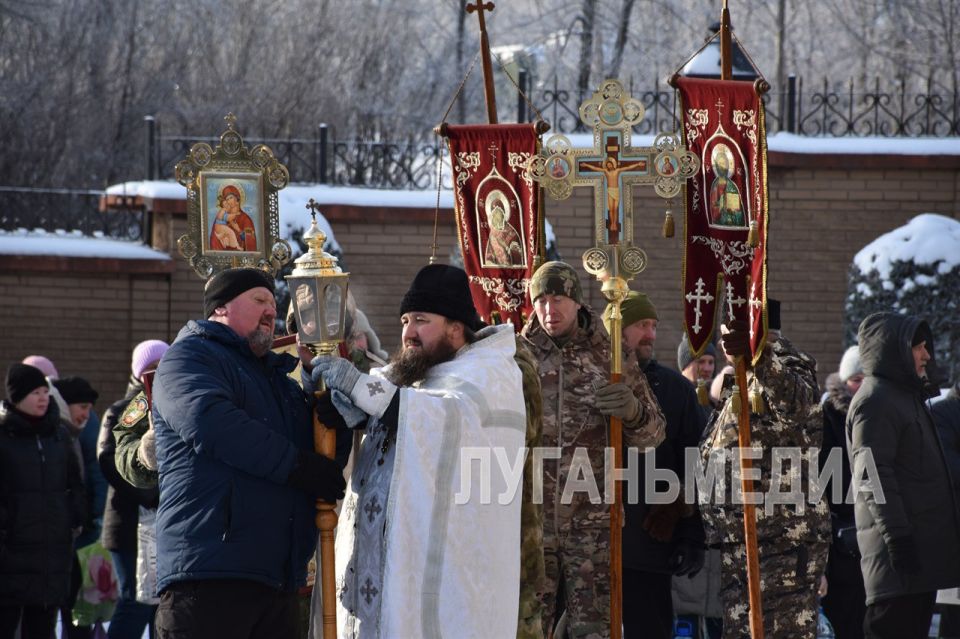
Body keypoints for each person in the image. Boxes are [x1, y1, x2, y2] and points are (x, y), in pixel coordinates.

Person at [309, 263, 527, 638]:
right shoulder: (417, 374)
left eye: (421, 320)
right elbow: (396, 401)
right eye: (405, 320)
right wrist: (356, 412)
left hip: (454, 580)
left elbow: (442, 420)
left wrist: (362, 391)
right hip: (388, 575)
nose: (408, 332)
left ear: (456, 328)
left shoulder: (490, 376)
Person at [150, 267, 346, 639]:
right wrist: (297, 465)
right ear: (221, 308)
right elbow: (210, 423)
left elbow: (321, 463)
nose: (272, 311)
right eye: (259, 300)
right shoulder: (189, 358)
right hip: (209, 576)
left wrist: (334, 415)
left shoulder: (278, 381)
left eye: (274, 303)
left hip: (276, 582)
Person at [519, 261, 665, 639]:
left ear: (577, 302)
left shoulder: (610, 353)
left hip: (594, 526)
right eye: (542, 300)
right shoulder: (517, 355)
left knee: (596, 629)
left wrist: (632, 413)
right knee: (527, 626)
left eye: (558, 299)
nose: (550, 310)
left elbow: (653, 435)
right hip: (531, 523)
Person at [700, 300, 830, 638]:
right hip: (739, 548)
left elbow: (799, 407)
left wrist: (760, 356)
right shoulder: (735, 382)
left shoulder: (787, 364)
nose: (725, 340)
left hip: (781, 547)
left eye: (734, 330)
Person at [846, 312, 960, 639]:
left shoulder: (906, 398)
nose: (927, 355)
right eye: (918, 347)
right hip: (897, 564)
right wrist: (898, 538)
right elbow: (872, 473)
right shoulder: (876, 400)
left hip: (917, 562)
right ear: (894, 350)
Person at [603, 292, 706, 639]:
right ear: (616, 329)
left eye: (653, 326)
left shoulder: (676, 391)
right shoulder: (583, 381)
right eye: (641, 325)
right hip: (589, 553)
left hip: (647, 548)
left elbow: (695, 463)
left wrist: (691, 534)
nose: (651, 334)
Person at [0, 364, 86, 639]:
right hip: (11, 557)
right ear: (16, 397)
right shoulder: (4, 438)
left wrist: (75, 517)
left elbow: (74, 483)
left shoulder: (59, 435)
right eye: (35, 392)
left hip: (51, 557)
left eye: (45, 392)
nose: (42, 398)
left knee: (42, 629)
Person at [98, 340, 168, 639]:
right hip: (129, 526)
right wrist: (151, 495)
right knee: (136, 602)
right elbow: (109, 459)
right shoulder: (129, 409)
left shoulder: (169, 403)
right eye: (151, 369)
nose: (158, 374)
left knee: (161, 606)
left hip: (163, 524)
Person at [819, 345, 867, 639]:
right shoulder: (827, 417)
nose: (861, 386)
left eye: (867, 379)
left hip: (869, 545)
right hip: (839, 544)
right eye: (856, 379)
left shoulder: (874, 415)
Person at [54, 375, 106, 639]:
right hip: (60, 536)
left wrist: (92, 517)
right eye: (82, 407)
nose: (87, 414)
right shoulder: (59, 434)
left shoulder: (76, 431)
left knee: (79, 612)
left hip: (79, 531)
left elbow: (93, 474)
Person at [210, 184, 257, 251]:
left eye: (231, 198)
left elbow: (250, 240)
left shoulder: (245, 219)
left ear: (237, 199)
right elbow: (214, 241)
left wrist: (239, 230)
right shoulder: (221, 217)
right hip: (223, 256)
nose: (229, 201)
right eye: (227, 199)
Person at [677, 334, 717, 407]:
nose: (707, 369)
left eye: (711, 362)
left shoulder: (717, 398)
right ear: (685, 365)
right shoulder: (672, 395)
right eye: (701, 362)